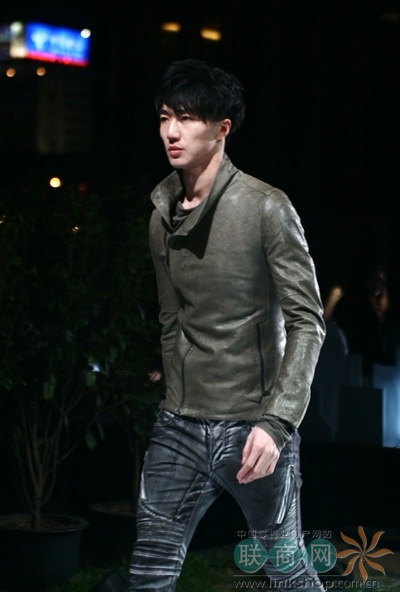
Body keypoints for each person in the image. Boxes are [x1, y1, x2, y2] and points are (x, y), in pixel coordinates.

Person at [128, 59, 326, 591]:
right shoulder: (161, 213)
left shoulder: (266, 207)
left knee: (287, 569)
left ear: (222, 129)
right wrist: (173, 393)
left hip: (253, 425)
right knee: (148, 571)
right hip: (180, 424)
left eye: (188, 118)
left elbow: (308, 321)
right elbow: (171, 318)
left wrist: (278, 422)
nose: (172, 131)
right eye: (166, 117)